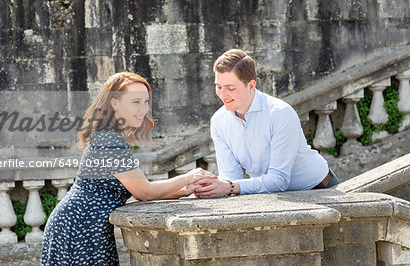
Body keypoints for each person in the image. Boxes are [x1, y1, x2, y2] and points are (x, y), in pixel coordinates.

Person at [41, 72, 215, 265]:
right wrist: (189, 176)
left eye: (146, 101)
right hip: (78, 227)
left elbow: (137, 191)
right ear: (115, 103)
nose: (143, 109)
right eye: (135, 102)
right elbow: (145, 191)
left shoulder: (110, 136)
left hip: (87, 227)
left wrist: (182, 192)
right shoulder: (108, 139)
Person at [193, 49, 339, 198]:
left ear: (251, 86)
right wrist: (212, 187)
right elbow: (230, 176)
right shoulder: (219, 122)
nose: (223, 95)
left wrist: (230, 187)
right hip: (272, 195)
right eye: (218, 86)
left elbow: (279, 180)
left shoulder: (280, 113)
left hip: (320, 189)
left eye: (230, 88)